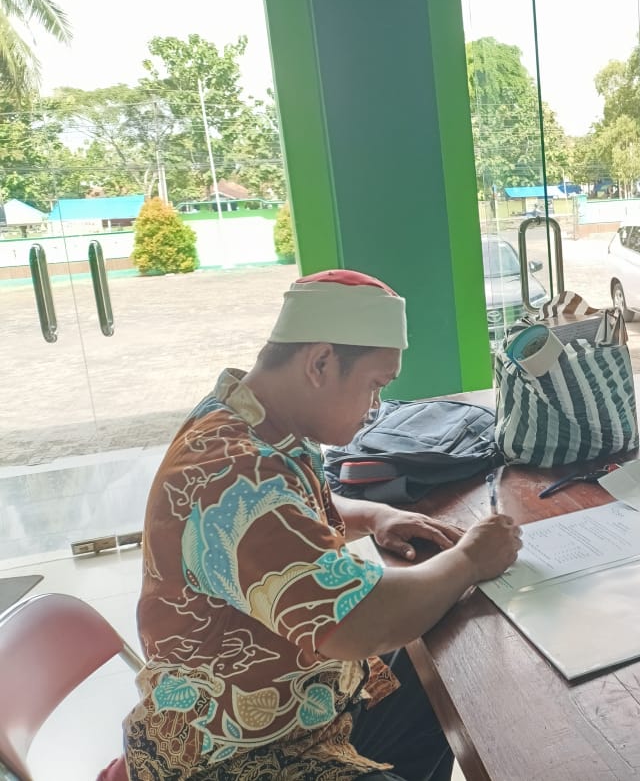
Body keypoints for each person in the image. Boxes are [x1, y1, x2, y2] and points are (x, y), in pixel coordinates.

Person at [124, 270, 522, 780]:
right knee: (422, 627)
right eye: (374, 386)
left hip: (299, 706)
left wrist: (372, 514)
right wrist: (469, 559)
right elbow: (356, 625)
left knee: (437, 662)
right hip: (228, 753)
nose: (375, 409)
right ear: (320, 363)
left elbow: (283, 509)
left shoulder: (245, 417)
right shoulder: (232, 473)